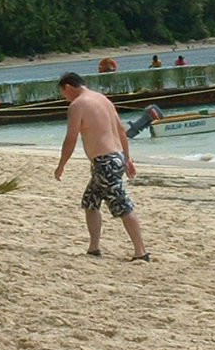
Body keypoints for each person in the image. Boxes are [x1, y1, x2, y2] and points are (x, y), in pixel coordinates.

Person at [54, 72, 149, 261]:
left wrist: (61, 165)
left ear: (68, 88)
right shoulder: (102, 99)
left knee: (122, 205)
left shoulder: (78, 105)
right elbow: (121, 131)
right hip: (113, 158)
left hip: (105, 162)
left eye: (63, 94)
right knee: (90, 201)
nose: (65, 98)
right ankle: (94, 247)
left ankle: (141, 251)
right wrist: (127, 158)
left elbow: (71, 138)